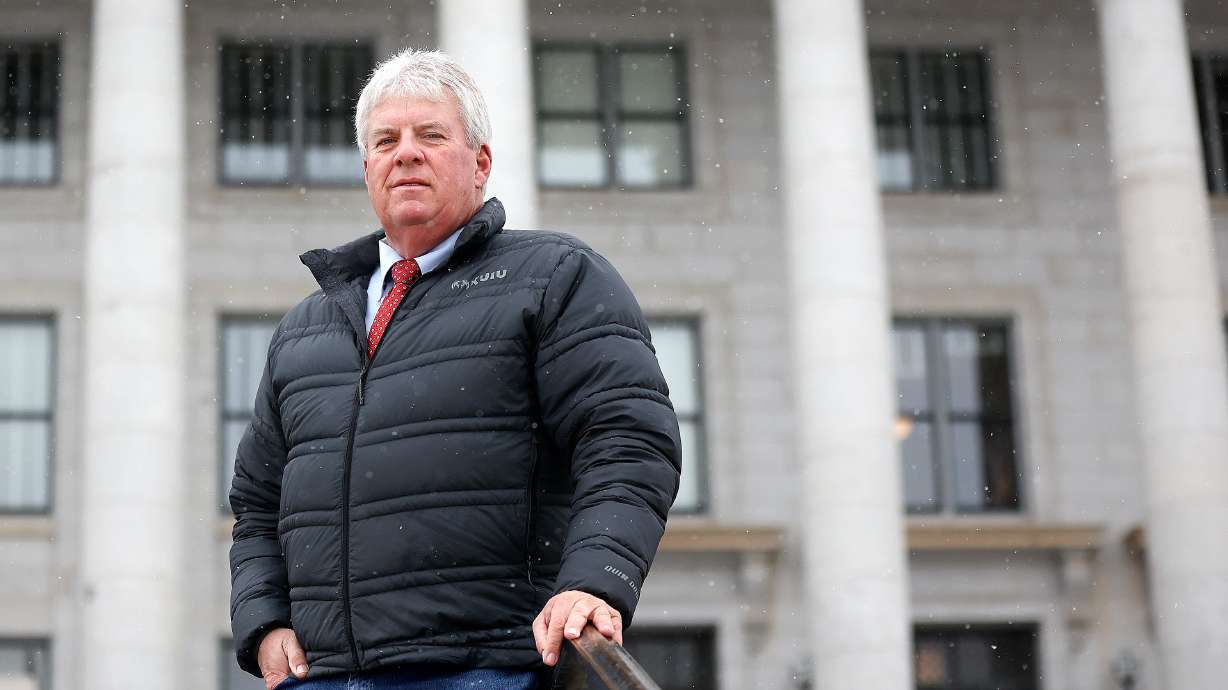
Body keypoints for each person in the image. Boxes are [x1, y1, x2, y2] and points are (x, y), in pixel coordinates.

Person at [228, 48, 682, 690]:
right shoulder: (305, 327)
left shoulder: (554, 276)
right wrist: (264, 618)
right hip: (325, 677)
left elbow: (628, 439)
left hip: (487, 669)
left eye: (431, 136)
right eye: (386, 140)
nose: (405, 152)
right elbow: (256, 502)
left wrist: (593, 580)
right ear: (367, 170)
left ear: (481, 163)